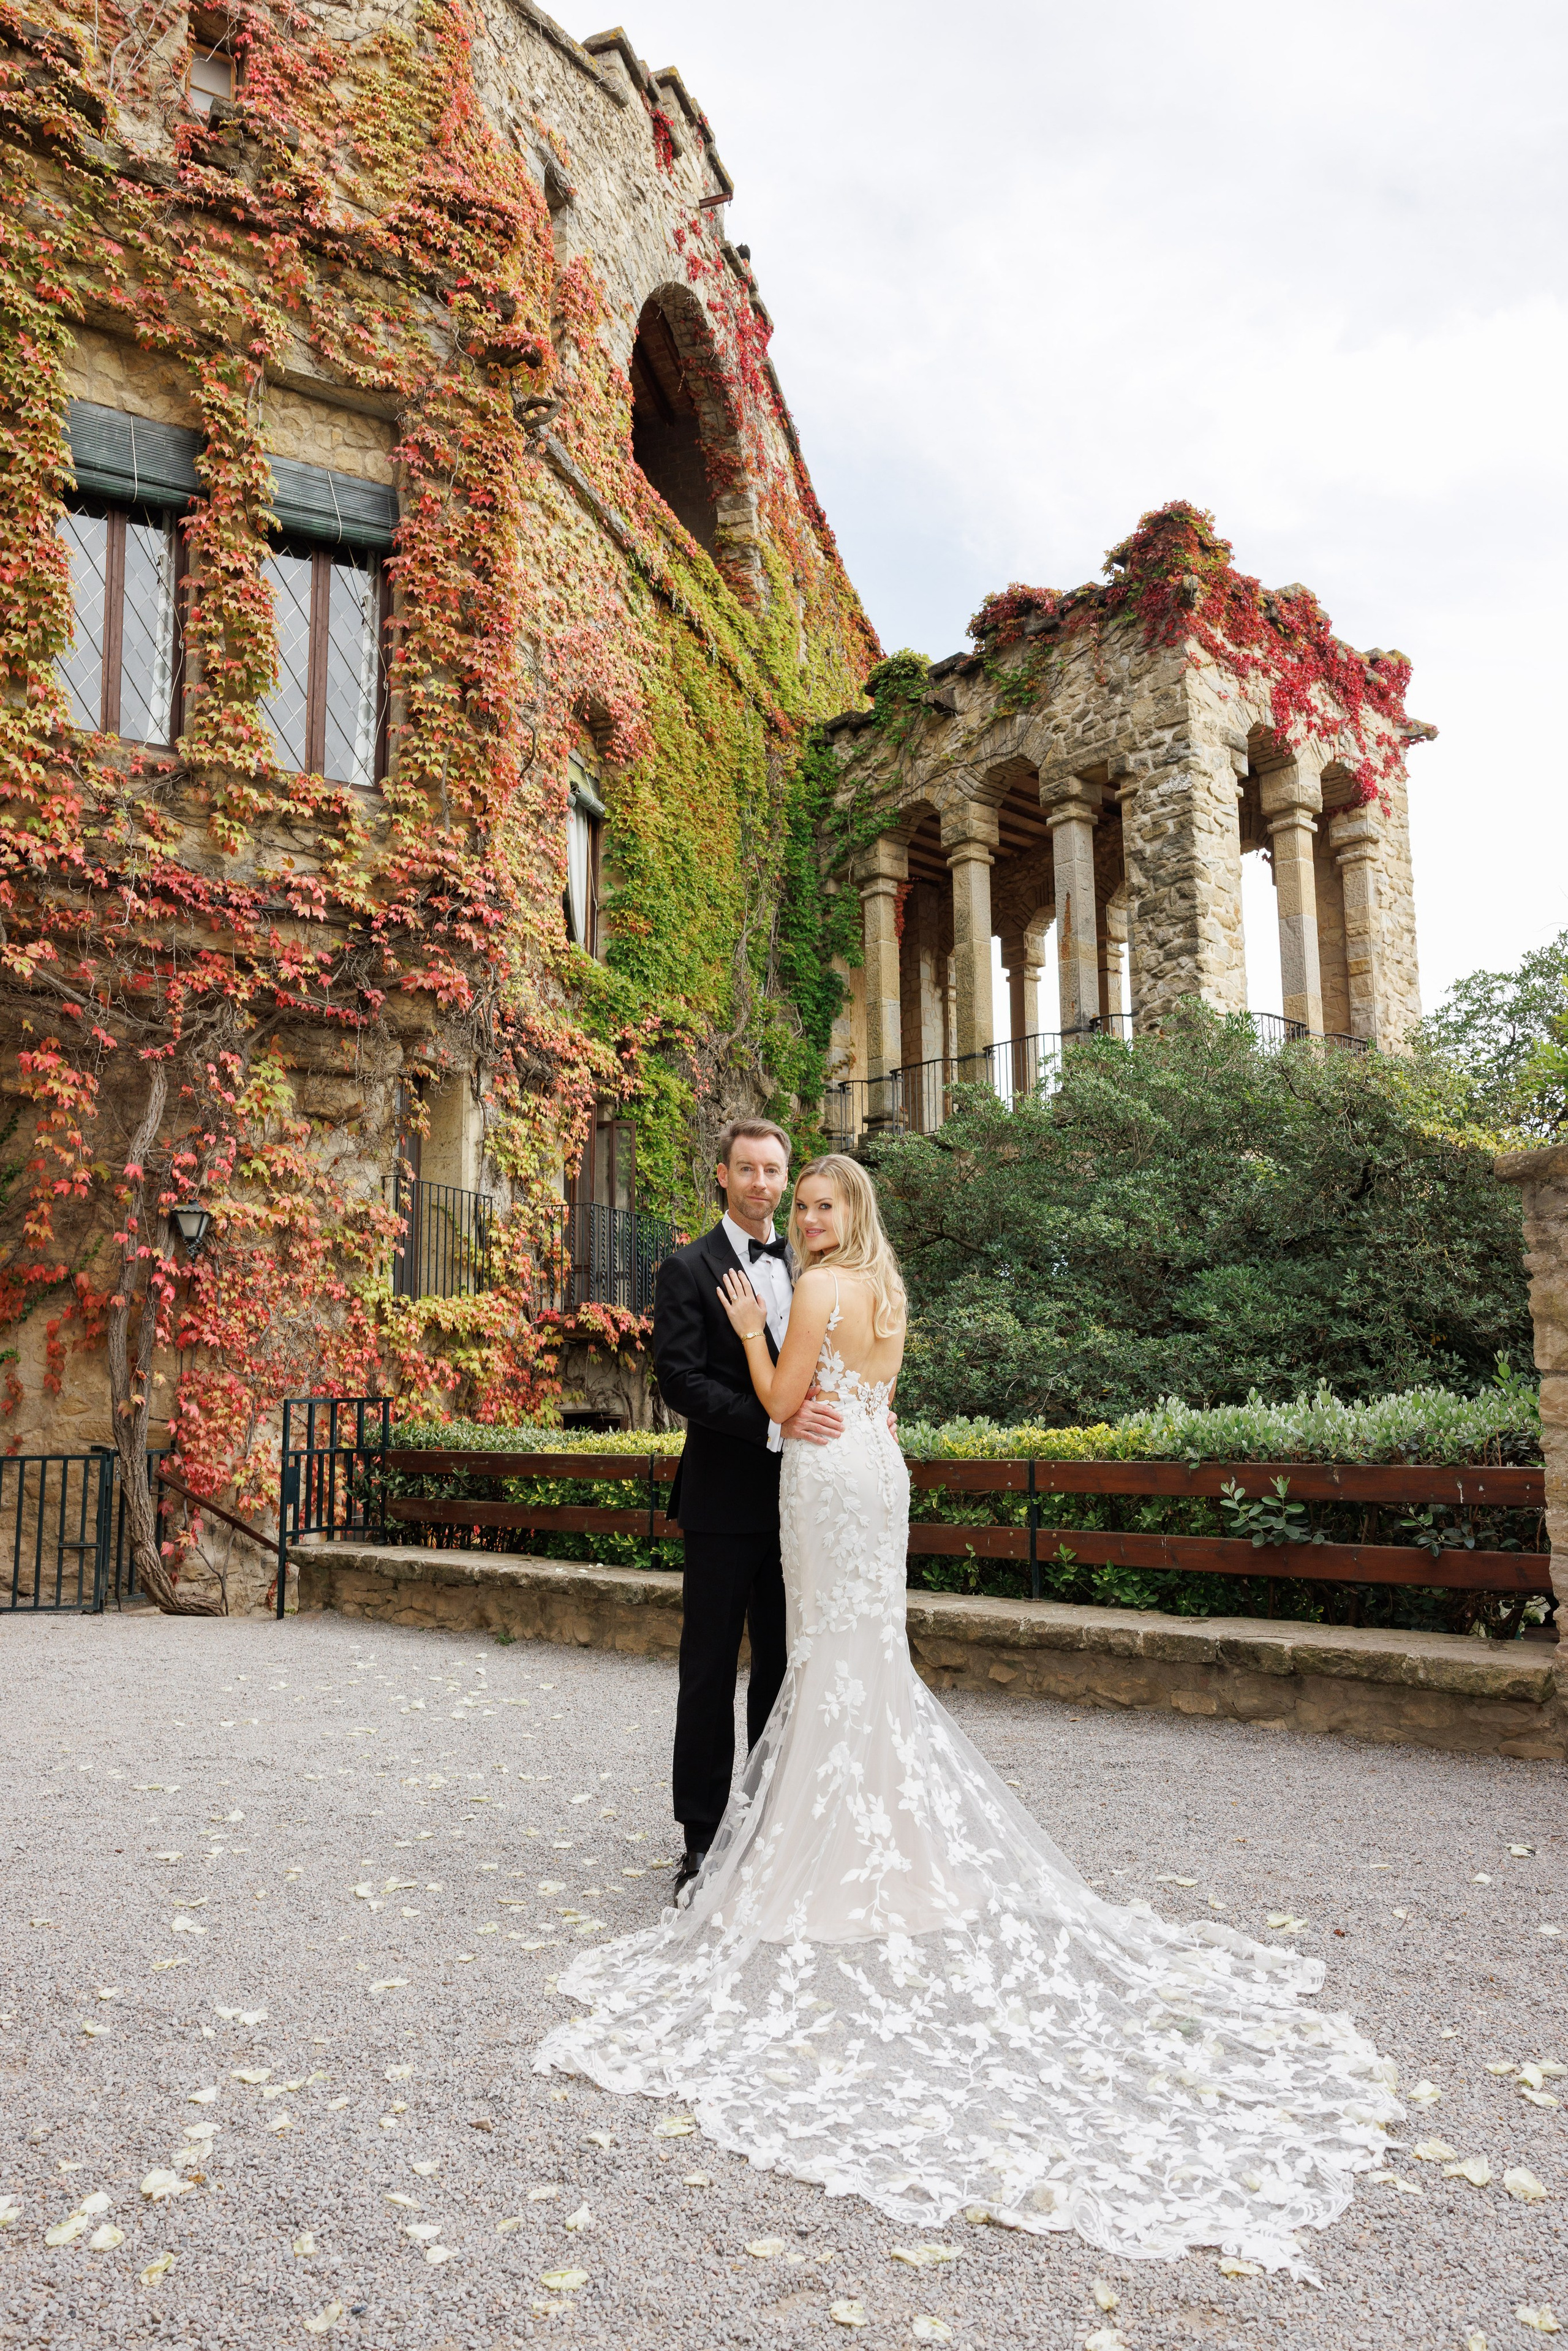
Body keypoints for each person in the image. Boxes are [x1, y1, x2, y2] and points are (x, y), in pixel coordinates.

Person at [537, 1156, 1401, 2274]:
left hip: (829, 1479)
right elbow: (851, 1395)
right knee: (858, 1662)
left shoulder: (821, 1288)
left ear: (849, 1215)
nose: (801, 1213)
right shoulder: (886, 1290)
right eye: (792, 1199)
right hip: (874, 1475)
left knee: (832, 1666)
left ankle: (811, 1850)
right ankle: (863, 1841)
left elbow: (777, 1401)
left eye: (817, 1202)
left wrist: (756, 1328)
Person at [649, 1118, 842, 1898]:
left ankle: (765, 1823)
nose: (763, 1184)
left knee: (783, 1668)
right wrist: (773, 1420)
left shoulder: (810, 1266)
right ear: (722, 1176)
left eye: (774, 1171)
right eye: (748, 1170)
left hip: (798, 1502)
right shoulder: (686, 1267)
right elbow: (680, 1383)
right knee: (706, 1672)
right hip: (724, 1503)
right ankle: (700, 1839)